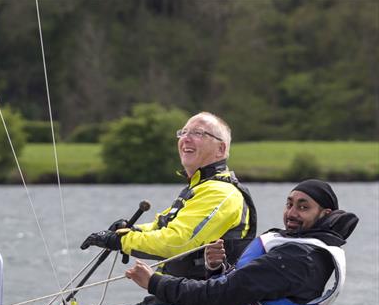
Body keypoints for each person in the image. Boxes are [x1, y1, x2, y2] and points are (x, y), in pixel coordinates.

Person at [71, 180, 358, 305]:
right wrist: (216, 268)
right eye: (289, 204)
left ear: (325, 214)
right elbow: (242, 291)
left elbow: (221, 297)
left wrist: (154, 282)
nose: (291, 214)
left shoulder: (300, 258)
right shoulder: (305, 249)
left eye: (303, 207)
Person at [81, 112, 258, 285]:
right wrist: (129, 230)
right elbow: (161, 227)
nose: (186, 138)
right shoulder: (199, 188)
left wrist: (120, 241)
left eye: (198, 133)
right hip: (176, 295)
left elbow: (177, 242)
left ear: (221, 149)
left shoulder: (221, 192)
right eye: (183, 132)